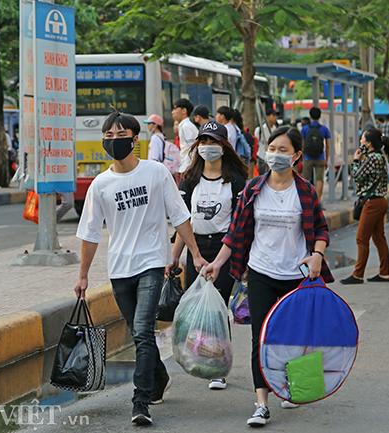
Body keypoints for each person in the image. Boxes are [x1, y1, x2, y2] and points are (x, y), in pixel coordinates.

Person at [74, 112, 208, 426]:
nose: (113, 139)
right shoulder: (101, 184)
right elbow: (90, 234)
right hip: (119, 269)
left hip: (151, 264)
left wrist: (195, 254)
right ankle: (159, 379)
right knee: (138, 333)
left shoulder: (156, 172)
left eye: (121, 134)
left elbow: (179, 215)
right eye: (108, 135)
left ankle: (140, 401)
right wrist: (82, 275)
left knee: (144, 331)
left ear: (135, 140)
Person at [203, 126, 332, 426]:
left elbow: (322, 229)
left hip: (294, 276)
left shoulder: (305, 191)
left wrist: (317, 254)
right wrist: (218, 263)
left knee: (291, 336)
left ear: (297, 155)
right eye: (272, 148)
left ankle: (290, 386)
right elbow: (234, 234)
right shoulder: (253, 189)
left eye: (283, 150)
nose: (275, 155)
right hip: (260, 272)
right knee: (261, 338)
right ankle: (261, 403)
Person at [167, 120, 247, 390]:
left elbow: (239, 223)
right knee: (196, 306)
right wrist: (175, 257)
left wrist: (238, 258)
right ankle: (199, 355)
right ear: (197, 145)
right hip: (196, 248)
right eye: (204, 142)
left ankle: (218, 366)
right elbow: (182, 221)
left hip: (224, 248)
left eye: (214, 142)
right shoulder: (189, 179)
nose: (208, 147)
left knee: (217, 307)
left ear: (224, 146)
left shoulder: (236, 180)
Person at [341, 129, 389, 285]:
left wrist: (355, 160)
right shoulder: (379, 156)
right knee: (378, 238)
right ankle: (384, 273)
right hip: (378, 201)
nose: (360, 142)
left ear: (368, 143)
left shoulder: (372, 158)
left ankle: (358, 274)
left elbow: (357, 176)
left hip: (372, 203)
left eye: (362, 139)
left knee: (361, 238)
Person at [301, 107, 331, 200]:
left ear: (310, 116)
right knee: (319, 180)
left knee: (305, 180)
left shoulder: (304, 129)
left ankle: (305, 199)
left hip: (307, 158)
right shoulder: (324, 129)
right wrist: (326, 160)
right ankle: (317, 201)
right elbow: (328, 146)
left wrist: (302, 158)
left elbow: (302, 146)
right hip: (320, 157)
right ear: (320, 116)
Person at [172, 99, 198, 176]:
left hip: (188, 167)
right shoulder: (184, 126)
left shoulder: (187, 126)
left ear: (184, 111)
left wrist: (189, 167)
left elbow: (192, 148)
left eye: (175, 109)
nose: (173, 112)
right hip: (186, 166)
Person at [254, 108, 279, 176]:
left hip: (274, 158)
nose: (275, 118)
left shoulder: (277, 130)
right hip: (262, 157)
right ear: (267, 117)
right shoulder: (259, 130)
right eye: (273, 115)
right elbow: (257, 144)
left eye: (276, 116)